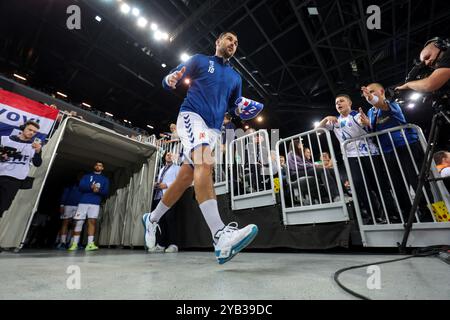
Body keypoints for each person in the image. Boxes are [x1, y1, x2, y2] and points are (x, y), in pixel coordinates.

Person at [143, 31, 258, 265]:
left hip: (213, 129)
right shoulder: (199, 60)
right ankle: (220, 236)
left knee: (186, 177)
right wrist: (170, 80)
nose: (233, 44)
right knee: (205, 164)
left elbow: (234, 107)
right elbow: (172, 77)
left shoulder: (236, 78)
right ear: (218, 41)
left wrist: (243, 109)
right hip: (192, 116)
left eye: (236, 42)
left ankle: (152, 219)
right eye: (229, 40)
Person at [360, 83, 433, 222]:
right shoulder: (370, 112)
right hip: (387, 151)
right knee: (397, 184)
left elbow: (383, 106)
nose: (368, 95)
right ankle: (407, 215)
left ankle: (429, 212)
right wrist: (367, 125)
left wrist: (373, 99)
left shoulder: (390, 103)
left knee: (417, 181)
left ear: (381, 91)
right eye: (366, 93)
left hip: (406, 146)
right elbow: (373, 132)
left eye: (372, 92)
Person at [318, 94, 396, 224]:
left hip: (370, 154)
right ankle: (374, 216)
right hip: (350, 157)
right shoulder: (334, 121)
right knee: (360, 186)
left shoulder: (357, 115)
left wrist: (366, 123)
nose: (338, 104)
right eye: (336, 102)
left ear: (349, 103)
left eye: (341, 101)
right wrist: (326, 119)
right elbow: (318, 131)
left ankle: (392, 214)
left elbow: (364, 124)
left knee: (379, 185)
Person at [0, 120, 42, 217]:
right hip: (1, 175)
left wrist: (38, 152)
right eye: (30, 130)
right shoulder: (5, 139)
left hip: (15, 181)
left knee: (1, 208)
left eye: (34, 132)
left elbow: (37, 163)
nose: (31, 133)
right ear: (23, 128)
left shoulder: (35, 147)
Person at [68, 162, 109, 251]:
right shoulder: (86, 176)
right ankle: (74, 244)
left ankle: (90, 244)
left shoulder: (105, 179)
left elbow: (106, 192)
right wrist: (91, 187)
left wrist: (98, 190)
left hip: (95, 203)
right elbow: (81, 187)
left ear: (102, 168)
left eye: (100, 165)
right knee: (79, 222)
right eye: (97, 165)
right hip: (83, 202)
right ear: (94, 166)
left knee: (92, 222)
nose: (98, 166)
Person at [151, 152, 180, 253]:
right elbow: (161, 182)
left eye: (171, 154)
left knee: (170, 219)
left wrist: (166, 185)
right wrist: (157, 184)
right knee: (160, 221)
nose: (169, 155)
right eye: (167, 154)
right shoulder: (162, 169)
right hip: (159, 197)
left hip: (170, 196)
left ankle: (173, 245)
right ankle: (161, 244)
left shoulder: (177, 168)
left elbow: (179, 182)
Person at [56, 173, 83, 249]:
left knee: (76, 224)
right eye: (80, 175)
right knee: (65, 223)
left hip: (79, 206)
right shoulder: (70, 185)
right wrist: (62, 205)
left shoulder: (85, 186)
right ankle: (62, 242)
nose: (81, 177)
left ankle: (72, 242)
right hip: (68, 205)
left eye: (82, 176)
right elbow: (65, 194)